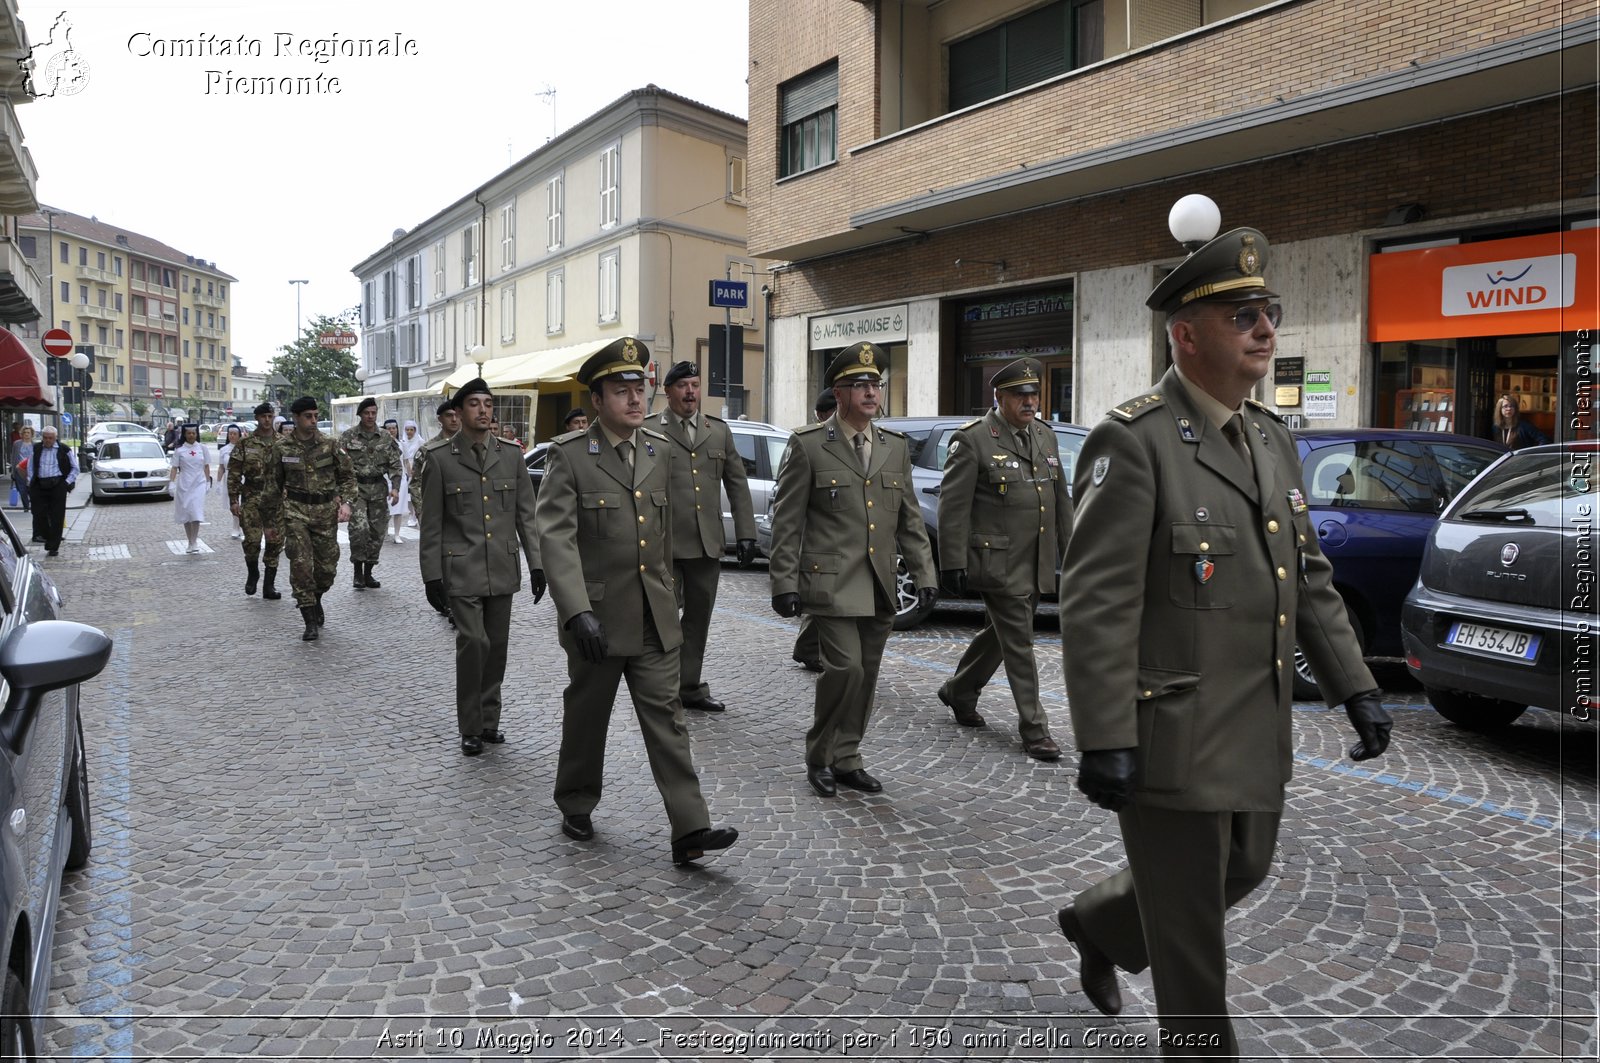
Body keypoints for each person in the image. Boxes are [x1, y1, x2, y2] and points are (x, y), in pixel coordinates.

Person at [1052, 201, 1393, 1058]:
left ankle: (1098, 922)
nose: (1265, 328)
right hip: (1166, 731)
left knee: (1241, 869)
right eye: (1242, 315)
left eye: (1269, 311)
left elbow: (1308, 576)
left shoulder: (1272, 441)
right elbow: (1096, 601)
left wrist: (1357, 685)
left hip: (1251, 724)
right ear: (1185, 335)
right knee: (1194, 933)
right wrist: (1104, 736)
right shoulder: (1133, 442)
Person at [534, 336, 738, 866]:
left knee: (668, 718)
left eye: (639, 387)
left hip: (653, 616)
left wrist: (670, 596)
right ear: (597, 400)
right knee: (588, 716)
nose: (633, 398)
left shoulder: (659, 450)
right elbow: (555, 537)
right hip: (597, 620)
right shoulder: (572, 457)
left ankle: (690, 827)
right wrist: (576, 610)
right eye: (619, 390)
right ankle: (576, 801)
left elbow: (664, 534)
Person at [767, 342, 937, 798]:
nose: (870, 392)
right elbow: (787, 521)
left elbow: (909, 519)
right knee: (845, 670)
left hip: (879, 582)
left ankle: (848, 757)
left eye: (875, 384)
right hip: (832, 582)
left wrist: (925, 575)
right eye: (859, 384)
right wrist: (784, 582)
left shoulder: (893, 448)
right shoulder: (808, 446)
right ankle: (820, 756)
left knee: (869, 673)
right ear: (838, 394)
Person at [936, 357, 1074, 761]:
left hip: (1037, 559)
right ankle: (1035, 729)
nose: (1029, 402)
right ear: (999, 397)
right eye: (1020, 395)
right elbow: (953, 506)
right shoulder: (975, 439)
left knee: (1000, 633)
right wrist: (951, 562)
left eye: (1034, 394)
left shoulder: (1044, 436)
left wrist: (1072, 553)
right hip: (998, 562)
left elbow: (1059, 499)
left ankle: (959, 690)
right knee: (1019, 641)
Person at [418, 378, 545, 756]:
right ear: (459, 412)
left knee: (498, 648)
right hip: (462, 570)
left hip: (502, 567)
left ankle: (490, 721)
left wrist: (536, 564)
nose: (484, 410)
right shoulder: (440, 459)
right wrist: (431, 576)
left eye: (488, 403)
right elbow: (432, 525)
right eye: (475, 404)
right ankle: (470, 726)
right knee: (473, 643)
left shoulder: (511, 455)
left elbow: (526, 514)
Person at [656, 361, 758, 714]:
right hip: (664, 543)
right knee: (664, 619)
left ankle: (689, 686)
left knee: (698, 620)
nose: (690, 392)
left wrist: (746, 534)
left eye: (695, 385)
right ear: (668, 391)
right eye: (683, 385)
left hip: (705, 543)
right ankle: (664, 687)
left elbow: (737, 483)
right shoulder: (650, 430)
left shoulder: (718, 431)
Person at [271, 396, 356, 642]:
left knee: (327, 568)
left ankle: (317, 597)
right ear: (296, 418)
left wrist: (347, 503)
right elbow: (273, 486)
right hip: (295, 512)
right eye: (308, 416)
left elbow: (348, 476)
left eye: (316, 416)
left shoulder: (330, 445)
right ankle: (308, 618)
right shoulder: (282, 448)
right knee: (300, 565)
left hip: (325, 513)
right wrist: (270, 522)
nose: (313, 420)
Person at [786, 390, 837, 673]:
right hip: (816, 533)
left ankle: (806, 648)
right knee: (821, 596)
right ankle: (807, 649)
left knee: (823, 599)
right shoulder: (808, 442)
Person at [338, 397, 402, 589]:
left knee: (377, 531)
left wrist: (395, 487)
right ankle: (357, 571)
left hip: (378, 490)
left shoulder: (385, 437)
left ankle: (368, 572)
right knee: (360, 529)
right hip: (355, 489)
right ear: (360, 415)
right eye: (367, 413)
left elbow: (395, 465)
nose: (370, 416)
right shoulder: (348, 437)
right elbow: (339, 466)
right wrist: (339, 494)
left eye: (373, 413)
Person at [229, 403, 283, 599]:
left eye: (270, 416)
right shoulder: (245, 443)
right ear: (257, 418)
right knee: (251, 541)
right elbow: (234, 473)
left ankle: (269, 585)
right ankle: (253, 573)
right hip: (252, 497)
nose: (267, 420)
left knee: (274, 542)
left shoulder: (283, 442)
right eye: (263, 417)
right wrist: (233, 500)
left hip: (276, 500)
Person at [29, 425, 77, 556]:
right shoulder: (37, 448)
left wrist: (66, 483)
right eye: (45, 437)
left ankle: (53, 546)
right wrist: (31, 481)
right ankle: (47, 536)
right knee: (38, 513)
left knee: (57, 516)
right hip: (39, 485)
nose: (47, 440)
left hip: (57, 485)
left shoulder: (63, 449)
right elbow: (30, 466)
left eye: (50, 438)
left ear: (55, 438)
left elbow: (75, 467)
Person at [168, 424, 212, 554]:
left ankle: (195, 540)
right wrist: (171, 482)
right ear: (185, 435)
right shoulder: (179, 450)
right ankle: (190, 541)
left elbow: (206, 466)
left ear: (197, 434)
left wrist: (208, 481)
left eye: (193, 433)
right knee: (186, 512)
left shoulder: (202, 448)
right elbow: (174, 468)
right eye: (189, 433)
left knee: (196, 511)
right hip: (185, 484)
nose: (191, 435)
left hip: (199, 483)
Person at [392, 419, 423, 541]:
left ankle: (414, 515)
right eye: (407, 429)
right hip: (405, 470)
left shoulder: (420, 441)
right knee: (407, 497)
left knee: (413, 495)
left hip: (414, 469)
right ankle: (412, 515)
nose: (409, 432)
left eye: (412, 430)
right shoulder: (403, 442)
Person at [215, 425, 244, 539]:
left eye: (234, 434)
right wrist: (218, 482)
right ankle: (235, 526)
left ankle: (240, 526)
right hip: (229, 478)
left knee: (242, 503)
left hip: (242, 478)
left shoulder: (243, 448)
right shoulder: (224, 450)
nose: (232, 436)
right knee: (233, 503)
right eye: (230, 434)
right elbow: (221, 467)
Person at [9, 424, 33, 515]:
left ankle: (32, 503)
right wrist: (13, 469)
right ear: (21, 434)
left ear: (31, 434)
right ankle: (26, 506)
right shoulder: (17, 444)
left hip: (30, 470)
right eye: (25, 433)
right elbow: (13, 456)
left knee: (30, 489)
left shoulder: (35, 445)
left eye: (28, 433)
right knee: (22, 489)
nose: (26, 434)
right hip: (19, 469)